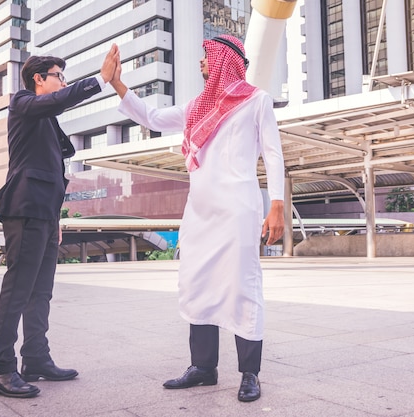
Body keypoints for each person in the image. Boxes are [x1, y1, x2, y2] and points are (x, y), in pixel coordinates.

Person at [110, 35, 285, 402]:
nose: (202, 64)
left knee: (242, 285)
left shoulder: (257, 101)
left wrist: (278, 205)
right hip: (200, 212)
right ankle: (203, 368)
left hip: (238, 209)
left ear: (225, 60)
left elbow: (273, 154)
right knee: (198, 283)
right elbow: (152, 118)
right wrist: (116, 82)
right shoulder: (198, 106)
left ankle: (249, 373)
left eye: (206, 58)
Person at [0, 45, 120, 398]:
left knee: (40, 292)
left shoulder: (44, 116)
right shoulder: (23, 102)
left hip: (45, 213)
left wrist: (56, 218)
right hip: (25, 209)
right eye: (59, 76)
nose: (63, 82)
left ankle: (36, 359)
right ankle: (0, 370)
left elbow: (51, 170)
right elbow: (55, 103)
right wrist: (100, 81)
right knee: (17, 291)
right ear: (38, 79)